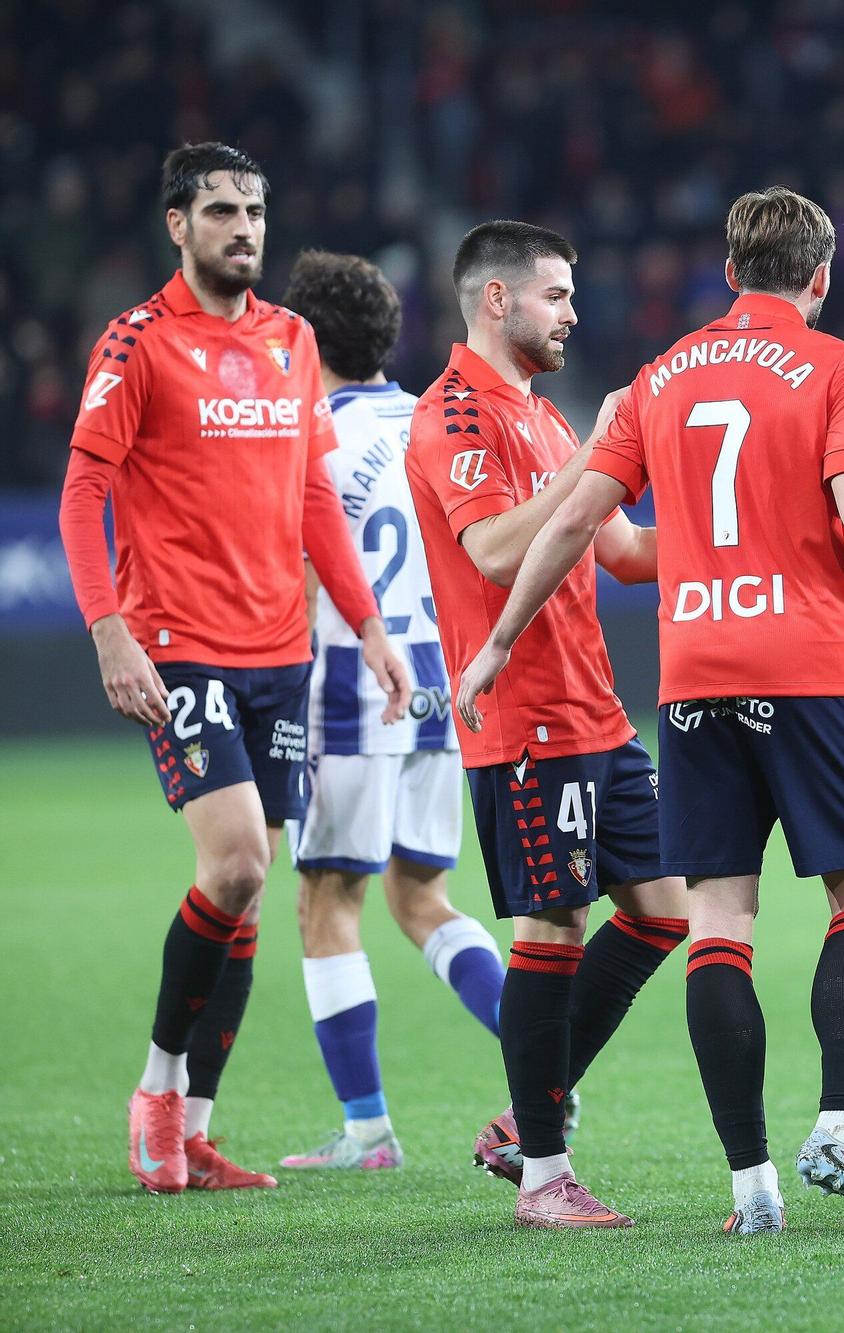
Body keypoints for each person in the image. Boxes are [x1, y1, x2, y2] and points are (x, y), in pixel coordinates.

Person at [455, 187, 844, 1236]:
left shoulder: (655, 378)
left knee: (719, 921)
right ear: (819, 279)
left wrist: (498, 639)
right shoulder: (837, 368)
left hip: (693, 680)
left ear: (728, 272)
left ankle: (750, 1190)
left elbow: (581, 523)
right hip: (812, 672)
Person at [58, 142, 412, 1194]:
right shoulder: (137, 342)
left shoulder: (293, 340)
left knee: (248, 904)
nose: (244, 228)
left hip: (281, 653)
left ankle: (196, 1128)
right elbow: (85, 492)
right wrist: (110, 629)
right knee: (239, 868)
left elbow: (311, 497)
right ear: (179, 225)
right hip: (179, 642)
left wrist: (371, 626)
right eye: (220, 211)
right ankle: (159, 1091)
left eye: (254, 210)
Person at [405, 221, 689, 1229]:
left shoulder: (545, 416)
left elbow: (616, 549)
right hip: (523, 719)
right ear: (496, 299)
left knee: (664, 908)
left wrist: (737, 533)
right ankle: (542, 1174)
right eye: (557, 295)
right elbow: (489, 552)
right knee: (553, 927)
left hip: (598, 712)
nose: (573, 313)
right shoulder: (453, 416)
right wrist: (600, 448)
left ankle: (528, 1112)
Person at [272, 250, 508, 1172]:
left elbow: (295, 569)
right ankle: (547, 1068)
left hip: (350, 688)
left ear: (305, 340)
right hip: (444, 689)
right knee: (423, 897)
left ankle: (368, 1130)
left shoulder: (307, 433)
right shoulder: (430, 419)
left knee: (328, 902)